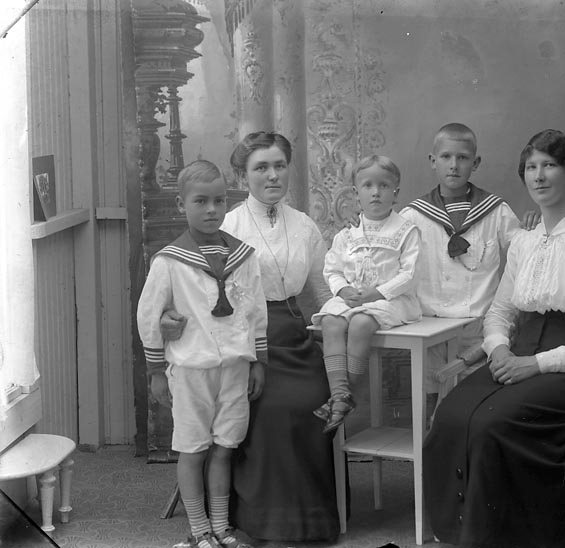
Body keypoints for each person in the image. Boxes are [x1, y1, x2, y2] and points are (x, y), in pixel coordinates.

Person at [423, 129, 565, 548]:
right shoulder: (525, 241)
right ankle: (464, 533)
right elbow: (501, 311)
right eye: (531, 167)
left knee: (492, 423)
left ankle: (508, 539)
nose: (538, 175)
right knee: (450, 414)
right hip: (517, 354)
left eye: (549, 165)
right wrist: (499, 349)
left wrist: (536, 364)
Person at [162, 132, 340, 542]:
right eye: (261, 167)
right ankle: (261, 520)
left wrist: (344, 315)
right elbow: (187, 285)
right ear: (243, 176)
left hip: (295, 335)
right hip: (240, 341)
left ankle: (312, 519)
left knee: (314, 401)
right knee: (273, 408)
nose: (272, 175)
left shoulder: (305, 225)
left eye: (279, 166)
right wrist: (170, 315)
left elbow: (322, 290)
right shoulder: (227, 224)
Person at [137, 160, 268, 548]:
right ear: (182, 204)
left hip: (235, 367)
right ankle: (199, 530)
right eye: (201, 201)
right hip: (192, 368)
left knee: (224, 448)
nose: (212, 209)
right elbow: (149, 315)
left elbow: (256, 311)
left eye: (219, 201)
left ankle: (221, 527)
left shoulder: (243, 257)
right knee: (193, 451)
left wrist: (258, 362)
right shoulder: (169, 261)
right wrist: (156, 371)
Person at [398, 123, 523, 417]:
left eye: (463, 158)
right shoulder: (413, 215)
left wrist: (535, 233)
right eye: (445, 157)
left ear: (475, 163)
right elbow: (392, 261)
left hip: (477, 326)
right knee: (431, 400)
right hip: (429, 326)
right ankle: (431, 443)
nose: (454, 165)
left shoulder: (496, 211)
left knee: (473, 402)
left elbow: (524, 257)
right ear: (433, 161)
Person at [311, 154, 421, 434]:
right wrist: (344, 289)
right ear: (355, 192)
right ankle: (341, 396)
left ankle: (343, 395)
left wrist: (378, 293)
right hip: (353, 297)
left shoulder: (405, 230)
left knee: (360, 323)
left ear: (395, 192)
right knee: (331, 321)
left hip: (390, 300)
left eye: (384, 186)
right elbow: (332, 269)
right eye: (368, 185)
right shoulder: (347, 233)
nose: (376, 192)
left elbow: (409, 274)